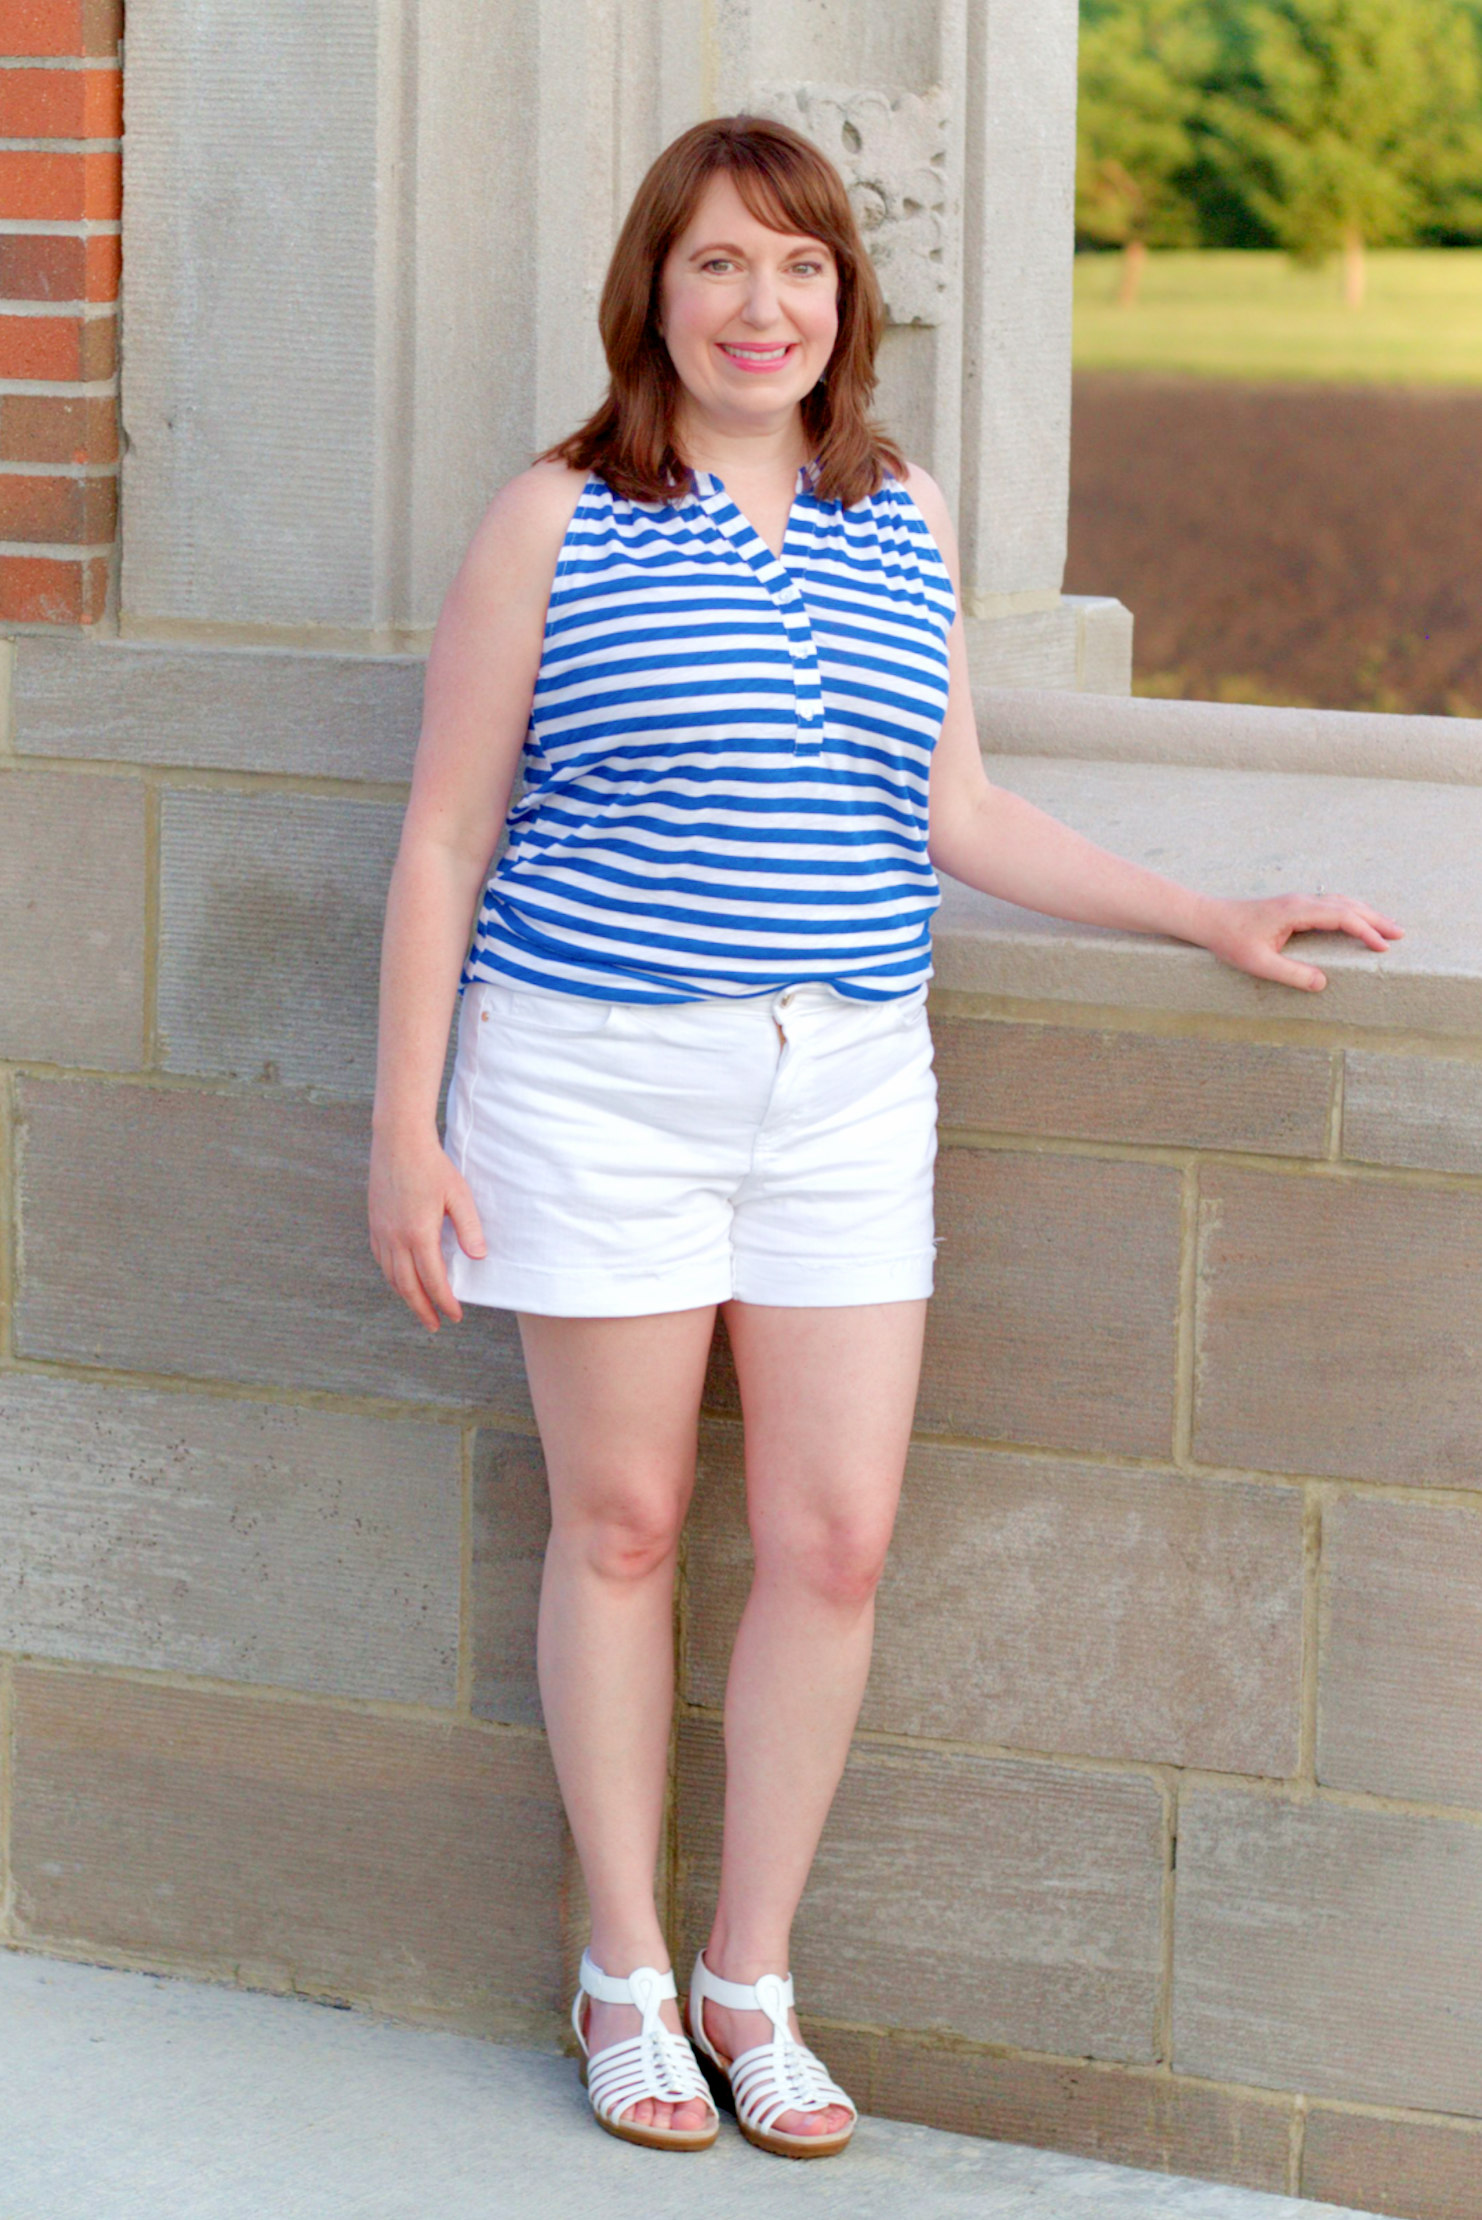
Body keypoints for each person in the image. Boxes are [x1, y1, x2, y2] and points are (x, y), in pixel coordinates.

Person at [368, 114, 1401, 2161]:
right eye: (724, 267)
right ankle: (622, 1973)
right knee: (629, 1525)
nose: (767, 308)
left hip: (845, 1087)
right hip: (593, 1078)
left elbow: (961, 813)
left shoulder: (893, 515)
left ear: (849, 303)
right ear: (650, 293)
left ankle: (753, 1979)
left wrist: (1207, 907)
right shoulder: (556, 522)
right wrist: (403, 1129)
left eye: (805, 270)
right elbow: (446, 835)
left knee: (833, 1541)